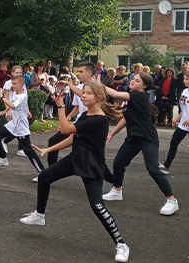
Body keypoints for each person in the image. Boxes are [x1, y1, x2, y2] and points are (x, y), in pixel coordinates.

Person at [21, 81, 130, 263]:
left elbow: (65, 129)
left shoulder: (99, 120)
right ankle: (40, 215)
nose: (83, 96)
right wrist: (48, 150)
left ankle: (121, 244)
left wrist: (61, 106)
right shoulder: (87, 114)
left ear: (99, 97)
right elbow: (73, 137)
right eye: (83, 93)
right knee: (44, 178)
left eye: (88, 93)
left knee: (97, 206)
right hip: (76, 158)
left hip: (92, 164)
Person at [67, 73, 177, 215]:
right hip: (134, 138)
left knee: (153, 169)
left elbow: (114, 93)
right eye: (133, 79)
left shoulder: (140, 96)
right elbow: (127, 117)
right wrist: (113, 133)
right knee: (119, 163)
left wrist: (96, 84)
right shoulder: (133, 97)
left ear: (144, 86)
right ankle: (117, 190)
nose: (132, 81)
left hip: (147, 138)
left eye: (137, 81)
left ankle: (171, 200)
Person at [0, 75, 45, 180]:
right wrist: (5, 111)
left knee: (28, 151)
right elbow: (11, 105)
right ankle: (3, 158)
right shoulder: (14, 93)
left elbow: (14, 105)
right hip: (13, 124)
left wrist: (2, 97)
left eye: (15, 84)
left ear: (21, 85)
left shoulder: (22, 96)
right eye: (12, 83)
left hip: (21, 127)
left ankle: (42, 173)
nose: (12, 86)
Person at [44, 62, 94, 166]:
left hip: (90, 124)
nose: (78, 74)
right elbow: (78, 106)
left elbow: (87, 98)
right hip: (78, 123)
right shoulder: (79, 87)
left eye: (81, 71)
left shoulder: (97, 87)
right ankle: (50, 171)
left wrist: (70, 85)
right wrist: (69, 116)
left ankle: (111, 179)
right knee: (54, 141)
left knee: (89, 154)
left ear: (90, 73)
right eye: (78, 71)